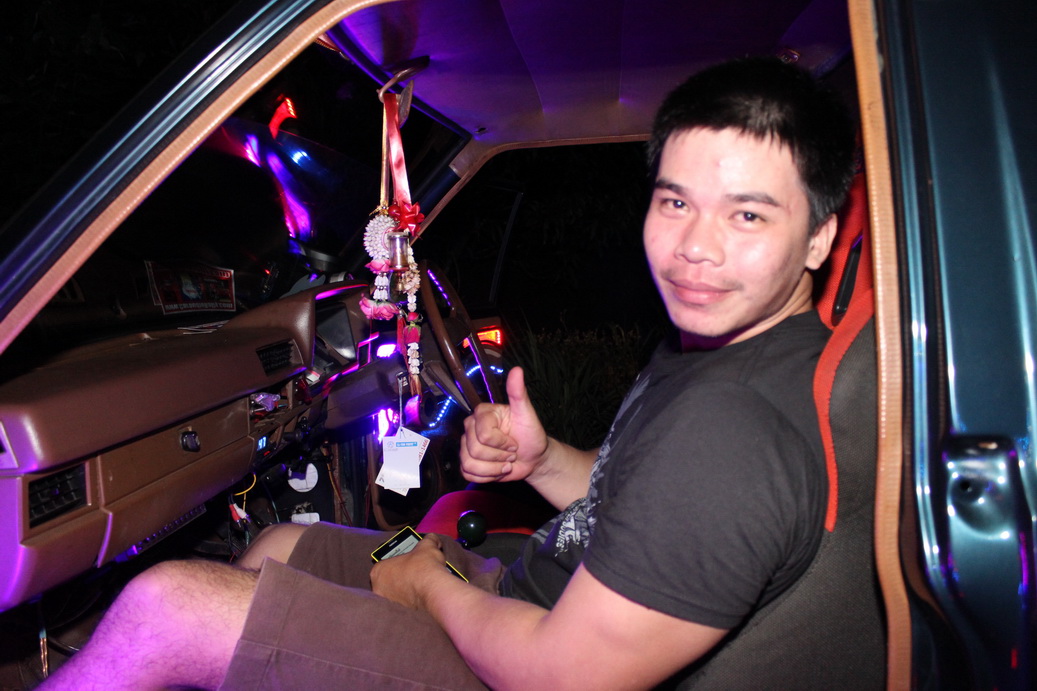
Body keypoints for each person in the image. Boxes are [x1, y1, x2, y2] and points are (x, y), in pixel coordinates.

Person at [39, 56, 856, 690]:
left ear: (819, 236)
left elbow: (561, 676)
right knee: (285, 541)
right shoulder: (723, 350)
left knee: (167, 605)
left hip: (521, 657)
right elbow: (642, 506)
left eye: (747, 214)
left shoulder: (732, 427)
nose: (695, 247)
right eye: (676, 202)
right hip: (510, 588)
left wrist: (428, 584)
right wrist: (542, 461)